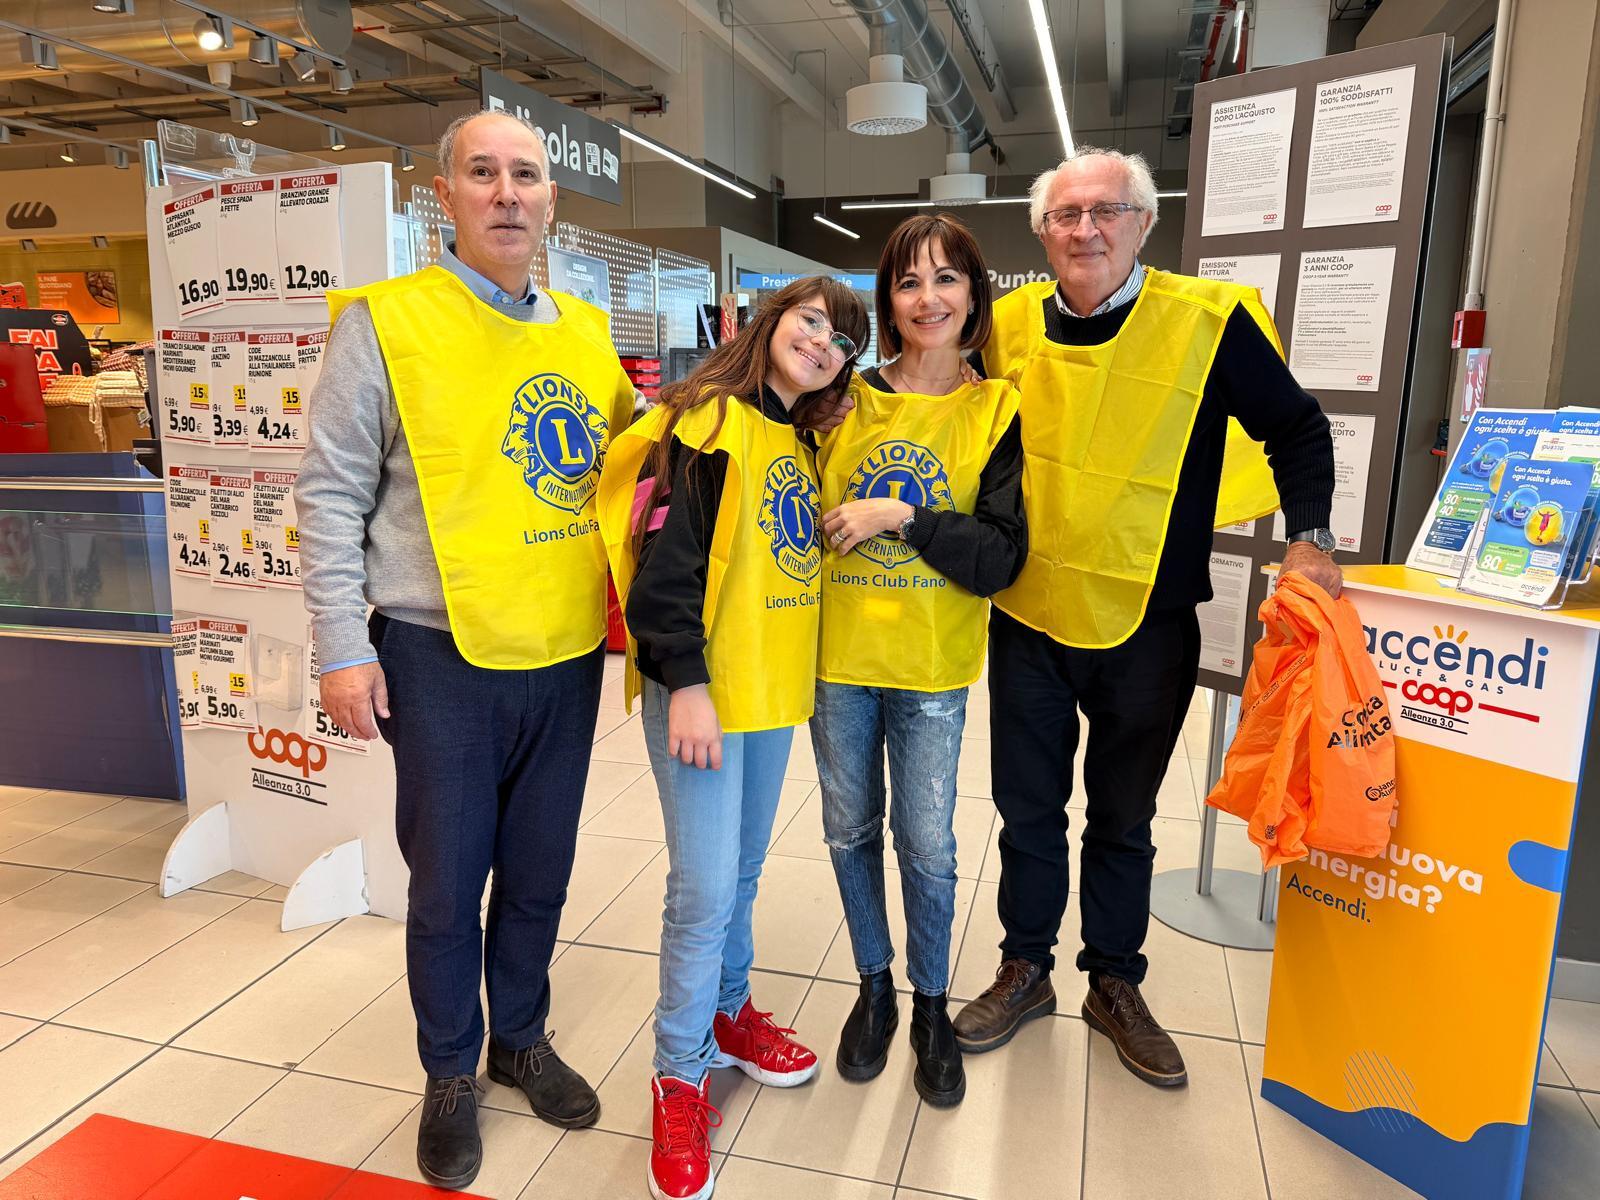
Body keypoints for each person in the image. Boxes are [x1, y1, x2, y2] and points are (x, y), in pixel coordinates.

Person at [295, 110, 636, 1190]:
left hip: (564, 650)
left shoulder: (585, 334)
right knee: (448, 884)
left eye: (524, 175)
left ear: (550, 200)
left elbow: (636, 467)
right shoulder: (385, 325)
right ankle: (449, 1070)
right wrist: (340, 647)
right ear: (442, 195)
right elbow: (329, 493)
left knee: (539, 871)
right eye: (481, 173)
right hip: (436, 654)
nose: (506, 193)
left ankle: (519, 1037)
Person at [954, 147, 1340, 1089]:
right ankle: (1025, 967)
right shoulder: (1006, 327)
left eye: (1107, 211)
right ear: (1043, 232)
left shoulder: (1207, 322)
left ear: (1143, 224)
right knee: (1027, 812)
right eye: (1066, 214)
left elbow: (1297, 426)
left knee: (1123, 819)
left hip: (1151, 623)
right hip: (1029, 616)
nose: (1086, 229)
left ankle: (1115, 983)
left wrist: (1311, 538)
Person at [597, 278, 868, 1200]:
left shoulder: (797, 439)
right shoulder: (708, 421)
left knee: (742, 875)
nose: (823, 343)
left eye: (843, 340)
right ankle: (679, 1075)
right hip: (705, 696)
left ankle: (726, 1012)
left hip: (767, 695)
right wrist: (685, 684)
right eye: (812, 321)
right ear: (771, 321)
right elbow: (663, 559)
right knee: (703, 890)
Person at [810, 214, 1025, 1109]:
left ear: (973, 295)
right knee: (849, 829)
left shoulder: (996, 410)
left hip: (932, 666)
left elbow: (1000, 556)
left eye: (945, 279)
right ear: (887, 301)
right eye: (907, 282)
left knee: (928, 845)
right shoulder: (840, 400)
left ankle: (931, 1002)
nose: (927, 298)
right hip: (839, 658)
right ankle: (874, 985)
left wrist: (900, 516)